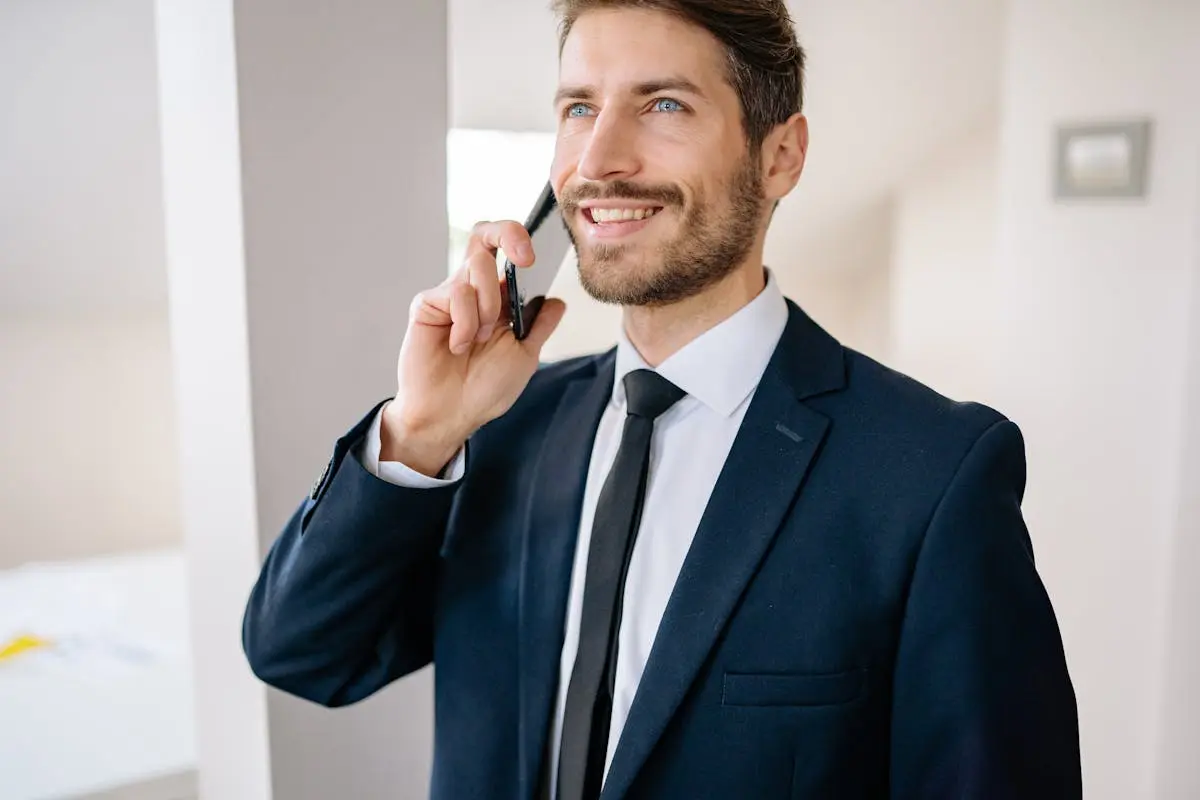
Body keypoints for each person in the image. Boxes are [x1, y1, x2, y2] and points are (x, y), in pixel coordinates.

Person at [242, 1, 1081, 797]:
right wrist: (422, 428)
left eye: (665, 105)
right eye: (577, 108)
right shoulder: (498, 432)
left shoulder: (930, 475)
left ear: (781, 155)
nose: (598, 160)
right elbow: (303, 654)